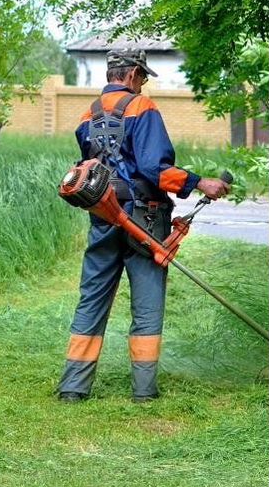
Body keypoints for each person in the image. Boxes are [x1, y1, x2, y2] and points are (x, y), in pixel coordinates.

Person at [57, 49, 230, 403]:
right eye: (144, 78)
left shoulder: (86, 115)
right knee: (147, 304)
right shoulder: (143, 108)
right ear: (133, 73)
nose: (144, 84)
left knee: (92, 299)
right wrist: (200, 183)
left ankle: (73, 388)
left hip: (103, 216)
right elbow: (155, 169)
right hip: (145, 221)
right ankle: (143, 391)